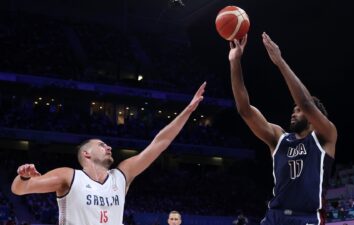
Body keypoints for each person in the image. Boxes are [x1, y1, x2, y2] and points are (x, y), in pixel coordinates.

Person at [11, 82, 206, 225]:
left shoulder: (121, 175)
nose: (109, 147)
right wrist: (23, 176)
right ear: (86, 154)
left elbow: (160, 143)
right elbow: (20, 189)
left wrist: (188, 111)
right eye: (102, 145)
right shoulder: (69, 176)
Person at [228, 32, 337, 225]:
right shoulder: (279, 137)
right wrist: (235, 62)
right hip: (274, 216)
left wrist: (279, 61)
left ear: (314, 119)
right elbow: (244, 110)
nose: (293, 113)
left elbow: (305, 103)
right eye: (293, 110)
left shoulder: (325, 136)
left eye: (298, 111)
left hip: (305, 218)